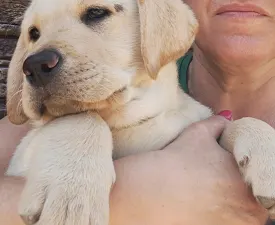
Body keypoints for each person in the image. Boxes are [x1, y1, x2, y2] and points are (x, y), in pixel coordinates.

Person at [0, 0, 274, 224]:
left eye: (96, 13)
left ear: (157, 27)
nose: (38, 59)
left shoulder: (213, 125)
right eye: (34, 35)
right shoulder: (37, 133)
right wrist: (135, 200)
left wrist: (248, 133)